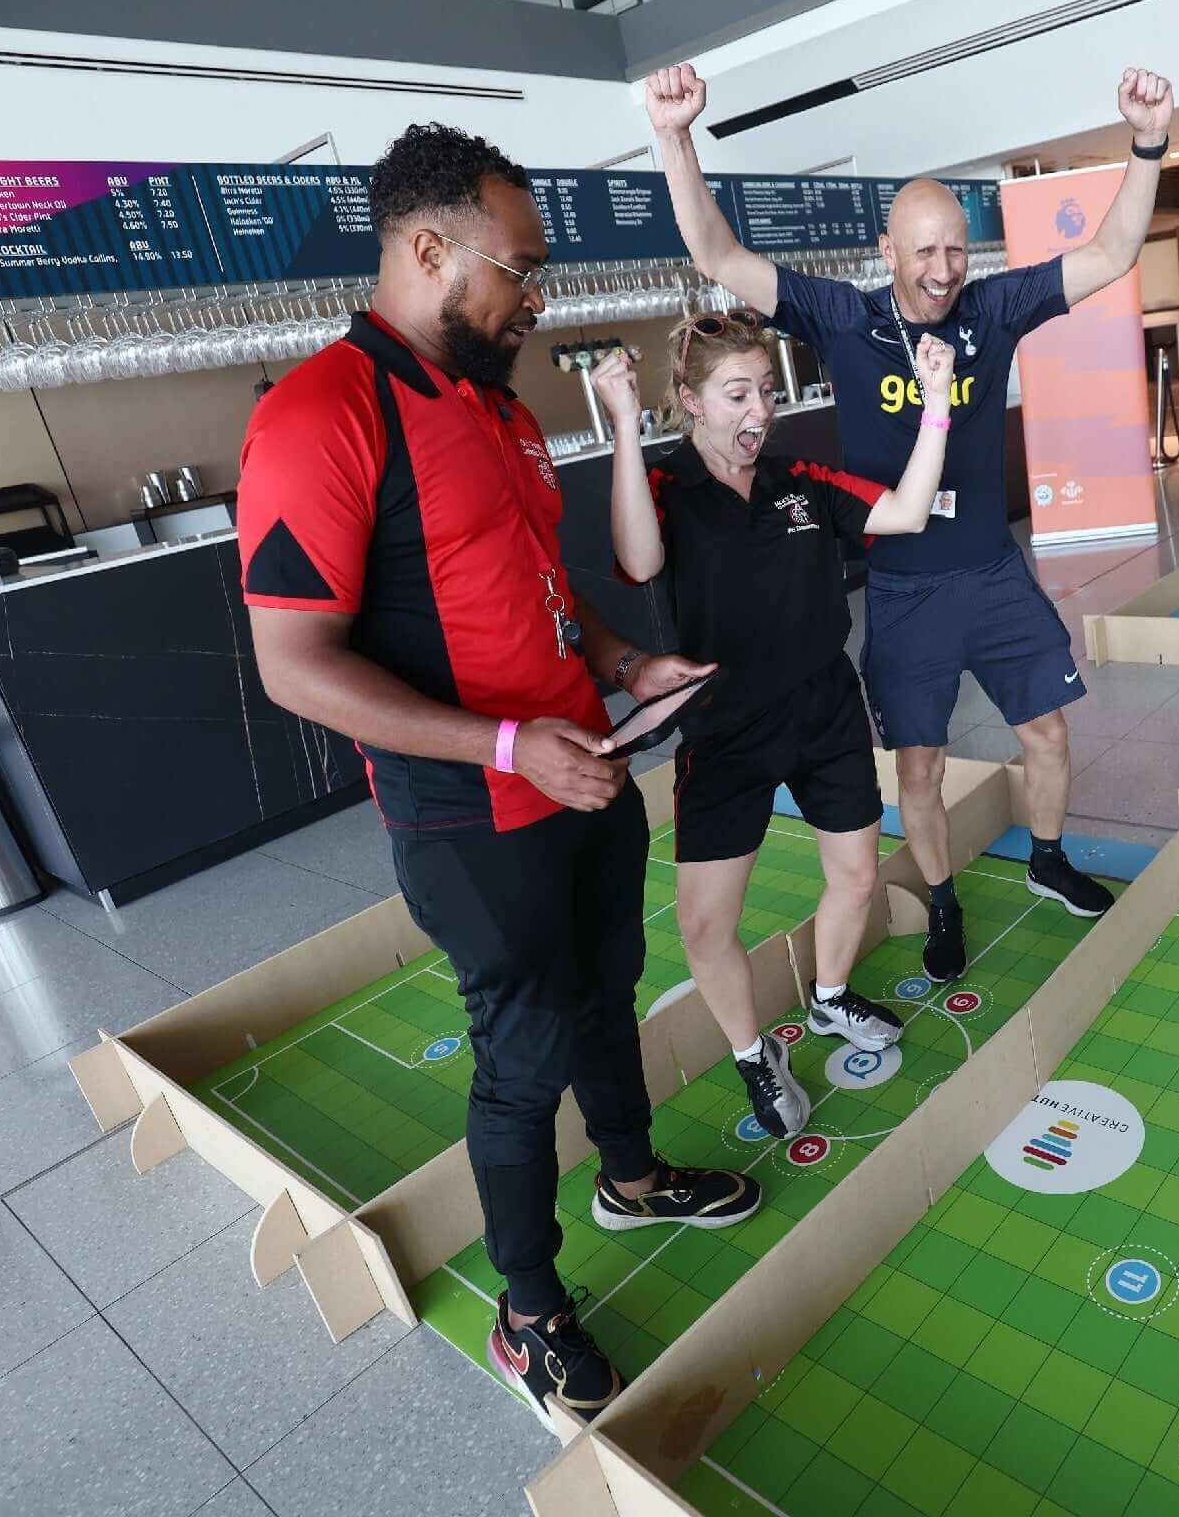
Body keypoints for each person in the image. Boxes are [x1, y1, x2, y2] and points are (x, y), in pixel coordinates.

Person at [236, 122, 760, 1431]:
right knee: (523, 1056)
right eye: (520, 272)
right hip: (477, 813)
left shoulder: (499, 407)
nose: (538, 299)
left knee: (609, 991)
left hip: (587, 777)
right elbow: (294, 664)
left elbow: (537, 588)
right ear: (428, 249)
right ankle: (529, 1317)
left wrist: (627, 664)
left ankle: (630, 1173)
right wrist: (512, 746)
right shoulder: (320, 416)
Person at [643, 61, 1175, 982]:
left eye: (955, 251)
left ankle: (1047, 860)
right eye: (923, 252)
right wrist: (676, 138)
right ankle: (942, 899)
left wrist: (1147, 142)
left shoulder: (995, 307)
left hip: (993, 576)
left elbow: (1114, 251)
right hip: (902, 588)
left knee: (1046, 732)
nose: (942, 271)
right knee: (919, 771)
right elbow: (719, 257)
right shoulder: (842, 317)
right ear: (887, 253)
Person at [593, 316, 957, 1139]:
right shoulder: (664, 488)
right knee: (704, 924)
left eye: (767, 389)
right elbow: (641, 563)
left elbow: (904, 512)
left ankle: (829, 997)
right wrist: (621, 424)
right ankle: (755, 1053)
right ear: (689, 401)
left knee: (856, 876)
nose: (760, 408)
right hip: (725, 728)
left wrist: (936, 402)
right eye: (737, 394)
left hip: (824, 708)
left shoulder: (800, 477)